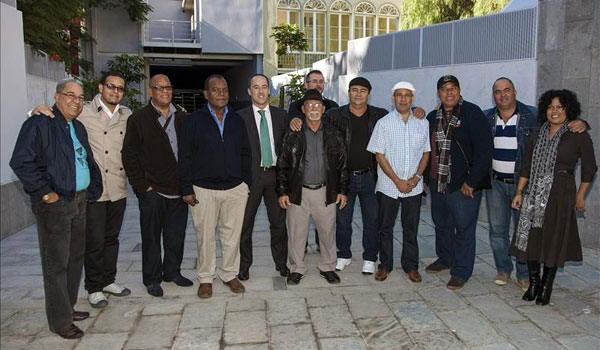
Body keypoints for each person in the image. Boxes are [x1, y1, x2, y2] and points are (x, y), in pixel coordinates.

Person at [31, 71, 133, 307]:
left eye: (120, 88)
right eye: (111, 86)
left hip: (118, 186)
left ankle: (109, 280)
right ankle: (94, 287)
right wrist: (35, 110)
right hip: (95, 189)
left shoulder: (127, 114)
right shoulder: (82, 109)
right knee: (94, 241)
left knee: (111, 239)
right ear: (100, 87)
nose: (115, 91)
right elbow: (56, 115)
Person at [10, 78, 102, 339]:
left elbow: (85, 159)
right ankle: (60, 321)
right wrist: (45, 193)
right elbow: (21, 161)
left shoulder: (77, 127)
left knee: (74, 260)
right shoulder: (40, 123)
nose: (75, 101)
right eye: (70, 95)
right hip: (55, 205)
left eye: (80, 97)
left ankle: (67, 307)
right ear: (57, 96)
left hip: (79, 200)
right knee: (56, 265)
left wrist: (92, 188)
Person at [483, 77, 588, 290]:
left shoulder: (532, 115)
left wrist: (583, 123)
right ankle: (503, 269)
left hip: (524, 184)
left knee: (524, 231)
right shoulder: (486, 117)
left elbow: (560, 122)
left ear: (514, 92)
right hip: (495, 183)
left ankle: (524, 274)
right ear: (493, 95)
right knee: (497, 230)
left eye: (507, 90)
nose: (502, 95)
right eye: (497, 91)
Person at [510, 89, 597, 305]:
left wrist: (580, 196)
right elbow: (526, 166)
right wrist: (519, 192)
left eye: (559, 107)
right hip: (532, 194)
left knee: (553, 239)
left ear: (568, 109)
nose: (554, 111)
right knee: (531, 238)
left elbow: (590, 169)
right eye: (550, 107)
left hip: (560, 193)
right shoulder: (537, 133)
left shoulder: (578, 134)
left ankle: (546, 287)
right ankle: (534, 283)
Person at [179, 74, 252, 299]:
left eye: (225, 90)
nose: (221, 94)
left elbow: (246, 152)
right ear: (206, 94)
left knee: (231, 236)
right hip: (204, 188)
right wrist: (186, 188)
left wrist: (246, 183)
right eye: (216, 90)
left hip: (234, 188)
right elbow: (185, 157)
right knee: (205, 236)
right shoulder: (193, 121)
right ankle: (206, 278)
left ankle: (229, 274)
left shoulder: (237, 119)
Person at [122, 74, 193, 298]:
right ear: (150, 91)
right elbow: (129, 156)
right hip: (152, 191)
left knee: (176, 236)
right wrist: (142, 187)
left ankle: (172, 272)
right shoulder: (139, 119)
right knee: (151, 238)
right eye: (159, 88)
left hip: (178, 190)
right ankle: (152, 279)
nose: (165, 91)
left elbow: (190, 152)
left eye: (168, 87)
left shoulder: (182, 116)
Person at [424, 75, 493, 290]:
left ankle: (461, 271)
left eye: (453, 88)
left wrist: (472, 182)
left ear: (459, 90)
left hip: (463, 185)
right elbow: (425, 149)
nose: (449, 92)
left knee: (464, 228)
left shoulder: (472, 113)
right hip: (438, 183)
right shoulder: (432, 117)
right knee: (442, 225)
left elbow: (484, 150)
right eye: (444, 89)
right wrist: (427, 178)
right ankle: (445, 259)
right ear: (438, 93)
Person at [276, 89, 348, 285]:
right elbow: (282, 164)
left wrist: (342, 190)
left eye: (318, 105)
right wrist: (282, 191)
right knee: (297, 233)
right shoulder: (292, 134)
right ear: (303, 109)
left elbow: (342, 164)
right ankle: (297, 268)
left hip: (325, 191)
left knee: (326, 232)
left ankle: (328, 266)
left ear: (323, 109)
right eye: (310, 106)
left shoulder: (333, 133)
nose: (314, 109)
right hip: (298, 191)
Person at [367, 82, 430, 282]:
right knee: (385, 228)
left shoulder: (423, 123)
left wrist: (416, 178)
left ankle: (411, 266)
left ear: (412, 98)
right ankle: (385, 265)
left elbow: (426, 153)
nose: (403, 99)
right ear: (393, 98)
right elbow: (379, 155)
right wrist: (397, 180)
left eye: (407, 95)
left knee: (410, 228)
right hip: (388, 186)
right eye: (399, 95)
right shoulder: (384, 123)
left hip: (414, 186)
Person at [325, 77, 387, 274]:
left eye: (362, 90)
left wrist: (416, 111)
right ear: (349, 92)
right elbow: (312, 118)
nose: (358, 94)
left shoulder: (380, 115)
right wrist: (295, 118)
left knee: (372, 220)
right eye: (354, 90)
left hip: (371, 176)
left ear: (369, 93)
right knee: (343, 221)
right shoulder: (334, 115)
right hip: (345, 178)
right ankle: (344, 255)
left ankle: (370, 257)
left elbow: (400, 119)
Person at [236, 74, 289, 281]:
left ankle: (281, 263)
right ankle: (244, 265)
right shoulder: (239, 117)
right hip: (251, 177)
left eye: (264, 87)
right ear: (249, 91)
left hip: (275, 177)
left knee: (278, 224)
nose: (260, 91)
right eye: (255, 87)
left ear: (269, 90)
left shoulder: (282, 116)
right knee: (245, 224)